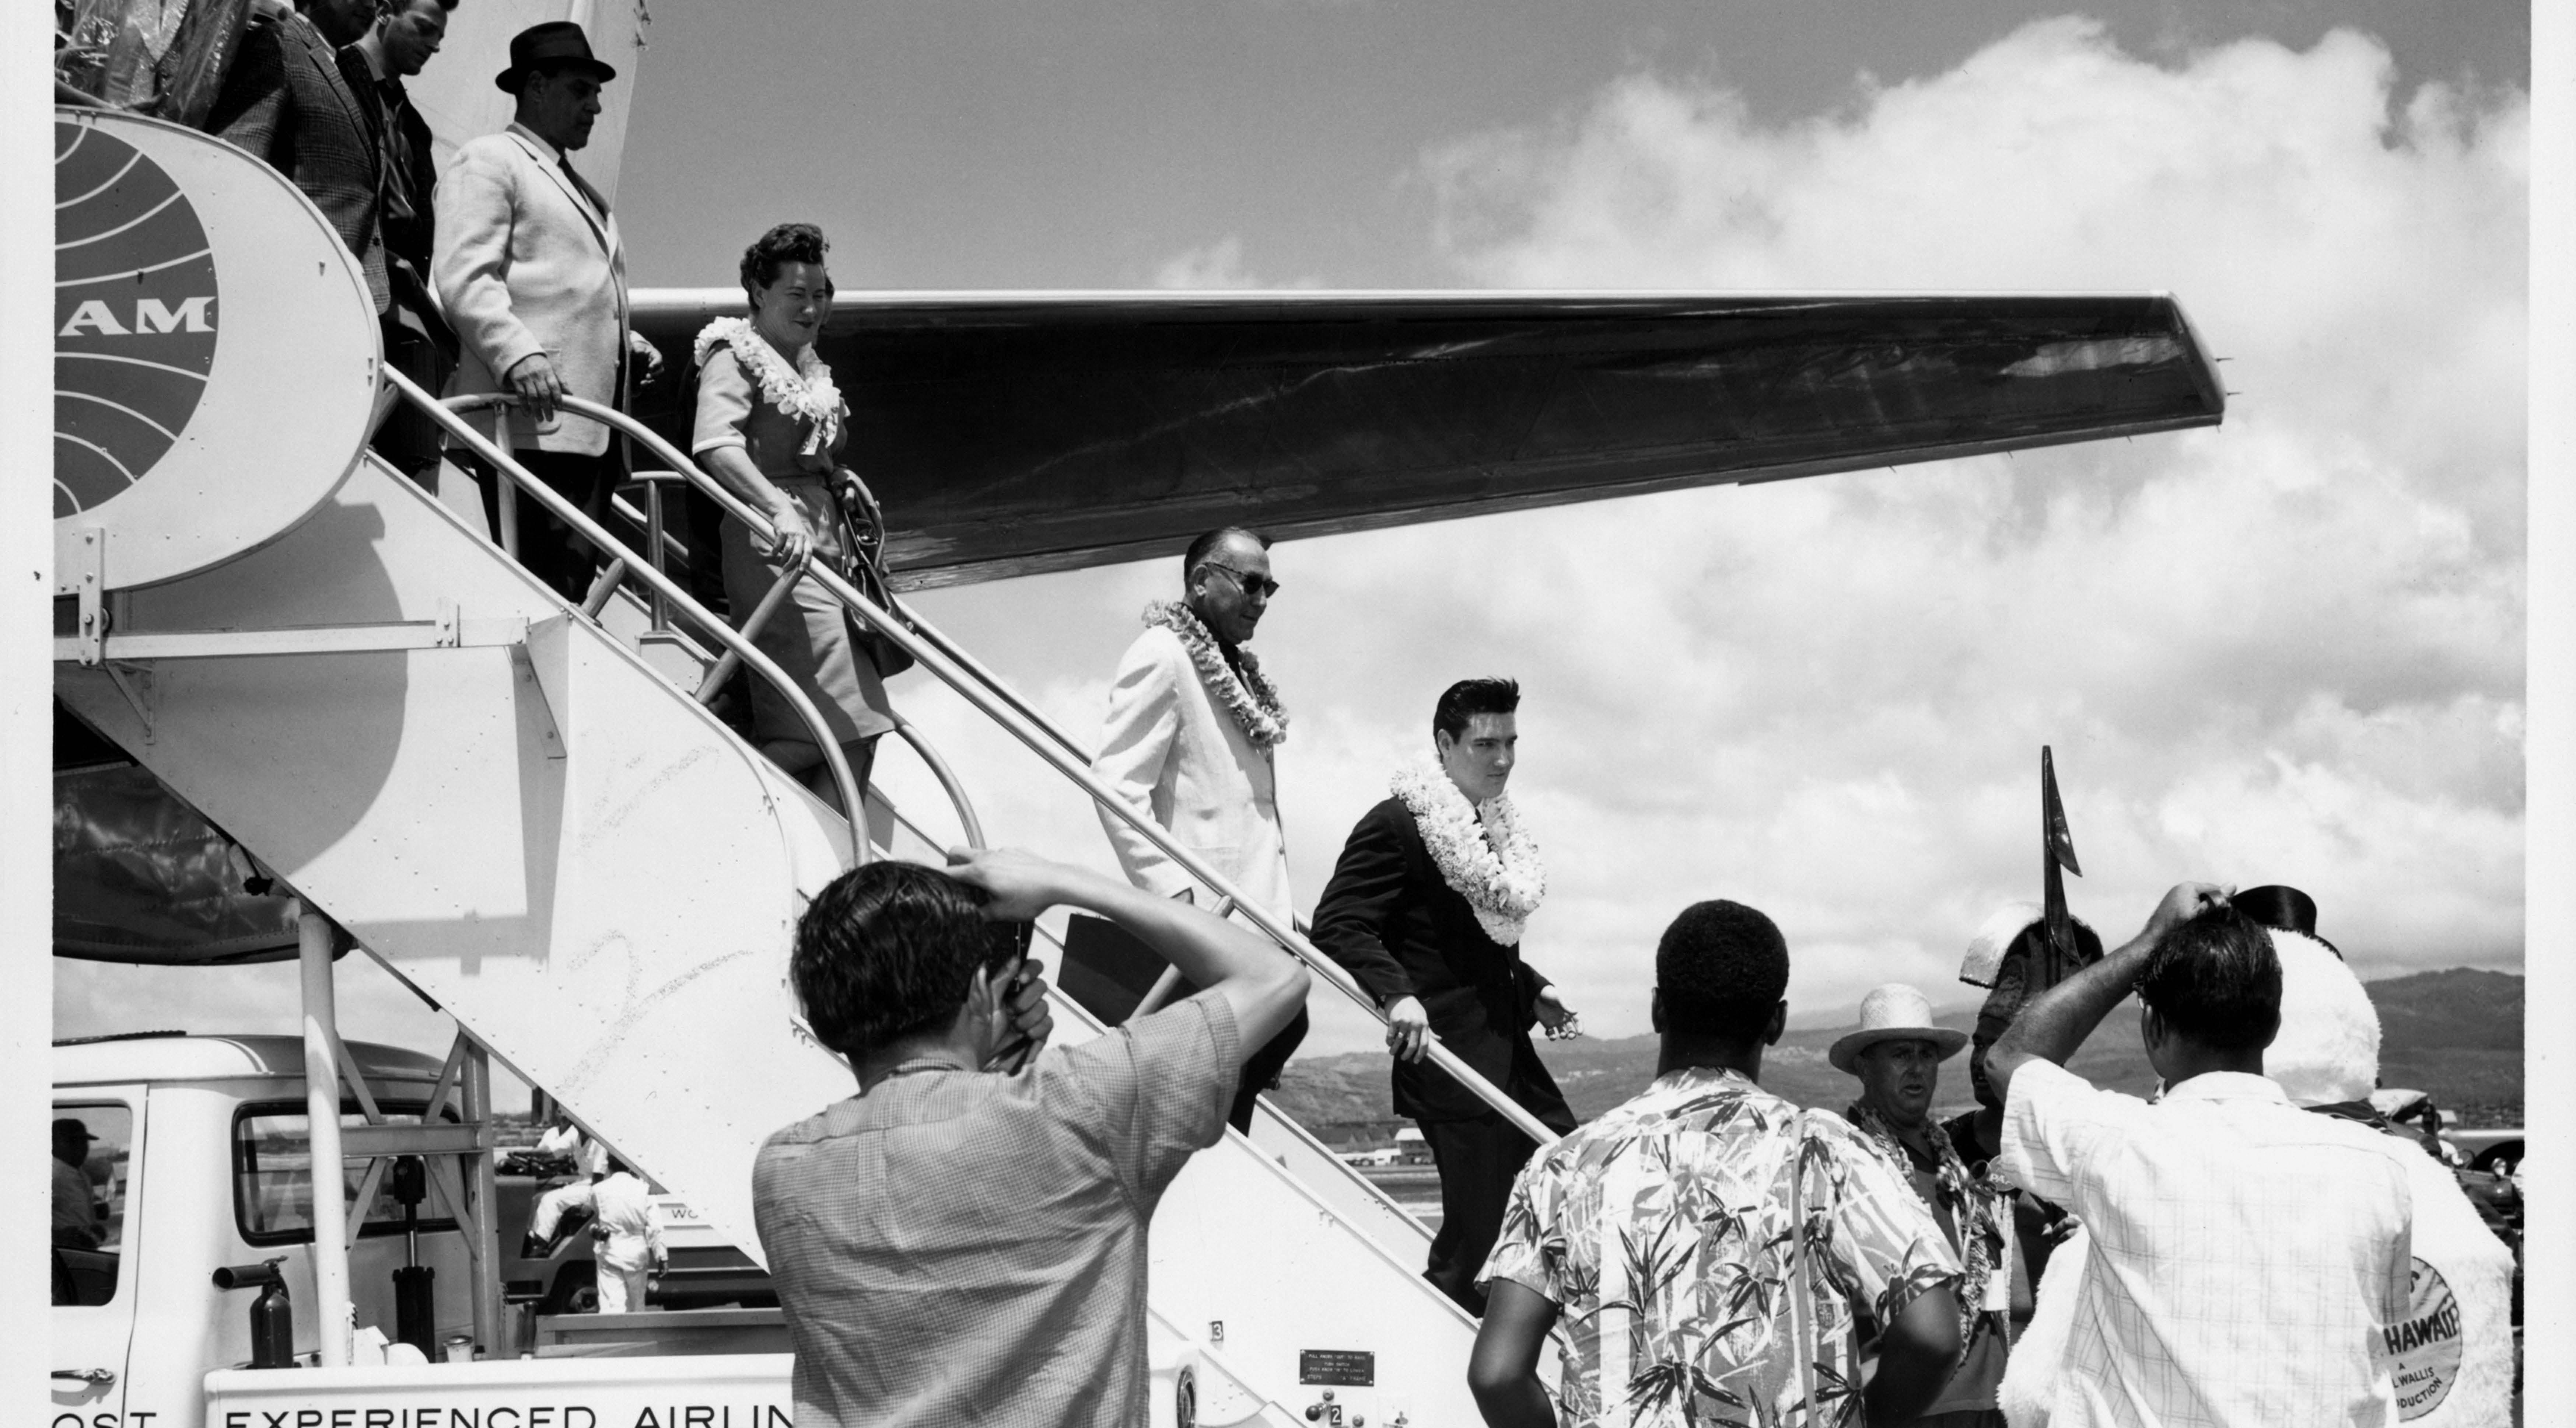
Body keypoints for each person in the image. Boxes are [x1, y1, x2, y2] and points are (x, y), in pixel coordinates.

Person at [752, 848, 1309, 1428]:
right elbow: (1276, 976)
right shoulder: (1077, 1106)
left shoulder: (782, 1171)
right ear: (977, 992)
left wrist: (978, 1059)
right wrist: (1066, 879)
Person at [1470, 900, 1966, 1428]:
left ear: (1658, 1008)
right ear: (1777, 1021)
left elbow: (1497, 1373)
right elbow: (1933, 1334)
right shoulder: (1824, 1149)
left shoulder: (1563, 1166)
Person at [1986, 888, 2416, 1428]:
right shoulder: (2379, 1169)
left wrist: (2149, 941)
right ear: (2273, 1024)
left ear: (2153, 1028)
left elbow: (2006, 1057)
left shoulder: (2117, 1142)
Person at [1310, 677, 1579, 1314]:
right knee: (1475, 1241)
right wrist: (1396, 996)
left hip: (1508, 1053)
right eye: (1486, 744)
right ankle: (1446, 1363)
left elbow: (1464, 942)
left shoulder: (1490, 828)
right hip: (1450, 1063)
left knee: (1568, 1178)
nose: (1504, 759)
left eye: (1511, 743)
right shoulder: (1396, 825)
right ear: (1444, 744)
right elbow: (1339, 924)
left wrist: (1533, 988)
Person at [434, 21, 663, 600]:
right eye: (581, 90)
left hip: (584, 430)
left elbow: (569, 291)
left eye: (597, 95)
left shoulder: (585, 190)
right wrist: (518, 355)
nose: (594, 107)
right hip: (530, 423)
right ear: (536, 86)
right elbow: (465, 277)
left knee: (560, 594)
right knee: (533, 591)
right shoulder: (489, 160)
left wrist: (625, 344)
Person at [1091, 525, 1303, 1130]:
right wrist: (1173, 897)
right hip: (1211, 918)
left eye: (1271, 586)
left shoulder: (1235, 668)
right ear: (1201, 580)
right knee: (1215, 1081)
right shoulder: (1164, 652)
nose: (1262, 599)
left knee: (1274, 1037)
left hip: (1258, 914)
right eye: (1250, 583)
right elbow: (1114, 782)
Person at [690, 223, 895, 821]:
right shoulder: (734, 354)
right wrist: (777, 505)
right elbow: (714, 444)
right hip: (776, 550)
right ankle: (711, 803)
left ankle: (828, 869)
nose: (813, 308)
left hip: (828, 547)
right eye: (797, 294)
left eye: (821, 293)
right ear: (758, 290)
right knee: (837, 724)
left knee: (859, 727)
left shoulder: (807, 365)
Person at [1833, 984, 2011, 1428]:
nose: (1916, 1069)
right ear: (1863, 1066)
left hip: (1992, 1398)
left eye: (1925, 1054)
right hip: (1916, 1406)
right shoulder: (1849, 1158)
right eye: (1899, 1054)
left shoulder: (1947, 1154)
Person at [206, 0, 393, 313]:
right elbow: (234, 174)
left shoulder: (351, 71)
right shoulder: (277, 45)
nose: (371, 3)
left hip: (343, 300)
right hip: (289, 296)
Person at [341, 0, 459, 488]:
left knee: (413, 470)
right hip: (347, 290)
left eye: (440, 37)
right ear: (386, 11)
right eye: (426, 29)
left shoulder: (414, 124)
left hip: (401, 303)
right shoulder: (333, 75)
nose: (434, 46)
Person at [528, 1155, 664, 1312]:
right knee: (637, 1303)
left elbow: (592, 1207)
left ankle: (612, 1335)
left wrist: (590, 1215)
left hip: (611, 1249)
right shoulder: (645, 1191)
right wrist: (662, 1256)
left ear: (609, 1167)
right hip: (636, 1251)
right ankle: (636, 1334)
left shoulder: (600, 1190)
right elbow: (656, 1227)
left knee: (612, 1303)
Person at [52, 1118, 102, 1250]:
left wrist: (96, 1209)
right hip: (61, 1256)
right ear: (52, 1144)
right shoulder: (50, 1174)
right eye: (73, 1142)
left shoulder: (78, 1171)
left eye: (84, 1142)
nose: (81, 1148)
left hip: (83, 1251)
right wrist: (60, 1236)